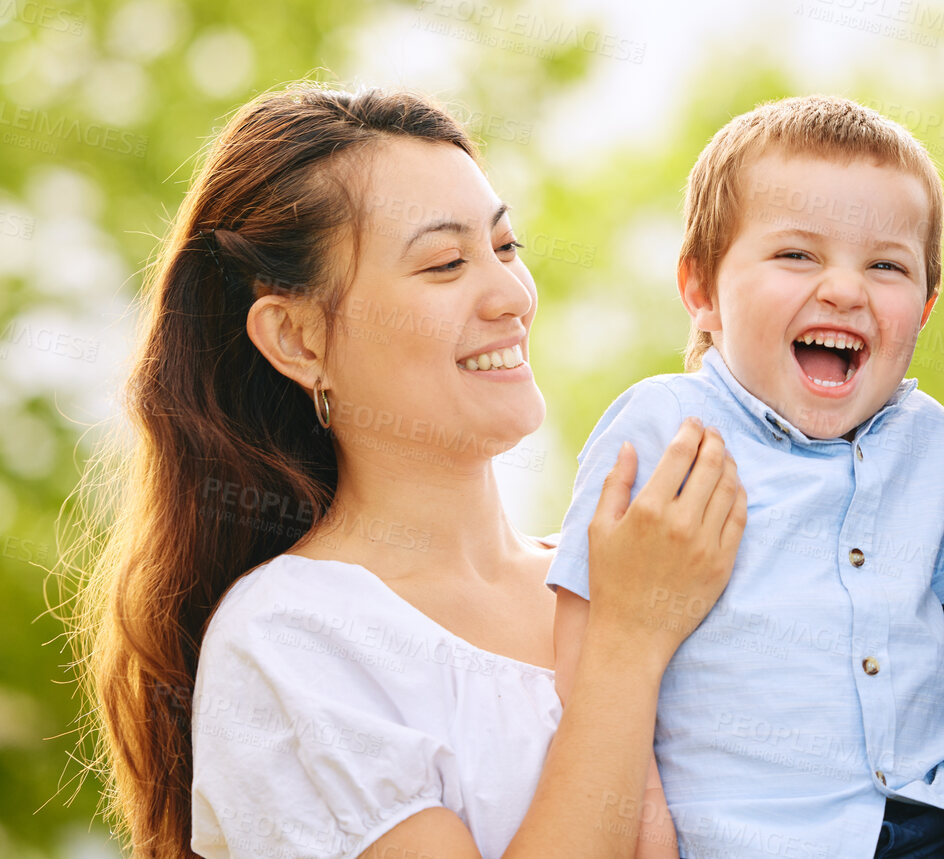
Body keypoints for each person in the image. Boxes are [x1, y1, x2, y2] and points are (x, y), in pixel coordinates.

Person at [69, 85, 746, 859]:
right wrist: (627, 644)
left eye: (505, 247)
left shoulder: (631, 569)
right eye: (445, 262)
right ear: (296, 338)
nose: (510, 295)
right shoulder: (291, 640)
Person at [547, 96, 944, 859]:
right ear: (700, 290)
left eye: (886, 265)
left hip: (942, 819)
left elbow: (940, 634)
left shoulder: (928, 439)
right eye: (797, 255)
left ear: (924, 308)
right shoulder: (665, 429)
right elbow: (588, 660)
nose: (845, 289)